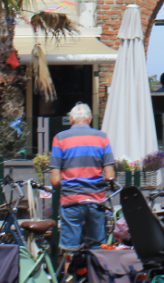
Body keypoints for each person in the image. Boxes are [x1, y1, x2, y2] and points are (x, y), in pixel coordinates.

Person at [50, 102, 115, 250]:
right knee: (97, 249)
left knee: (69, 250)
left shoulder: (60, 138)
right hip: (96, 201)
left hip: (71, 200)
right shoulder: (102, 137)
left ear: (71, 120)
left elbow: (55, 180)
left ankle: (70, 273)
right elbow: (110, 176)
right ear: (90, 119)